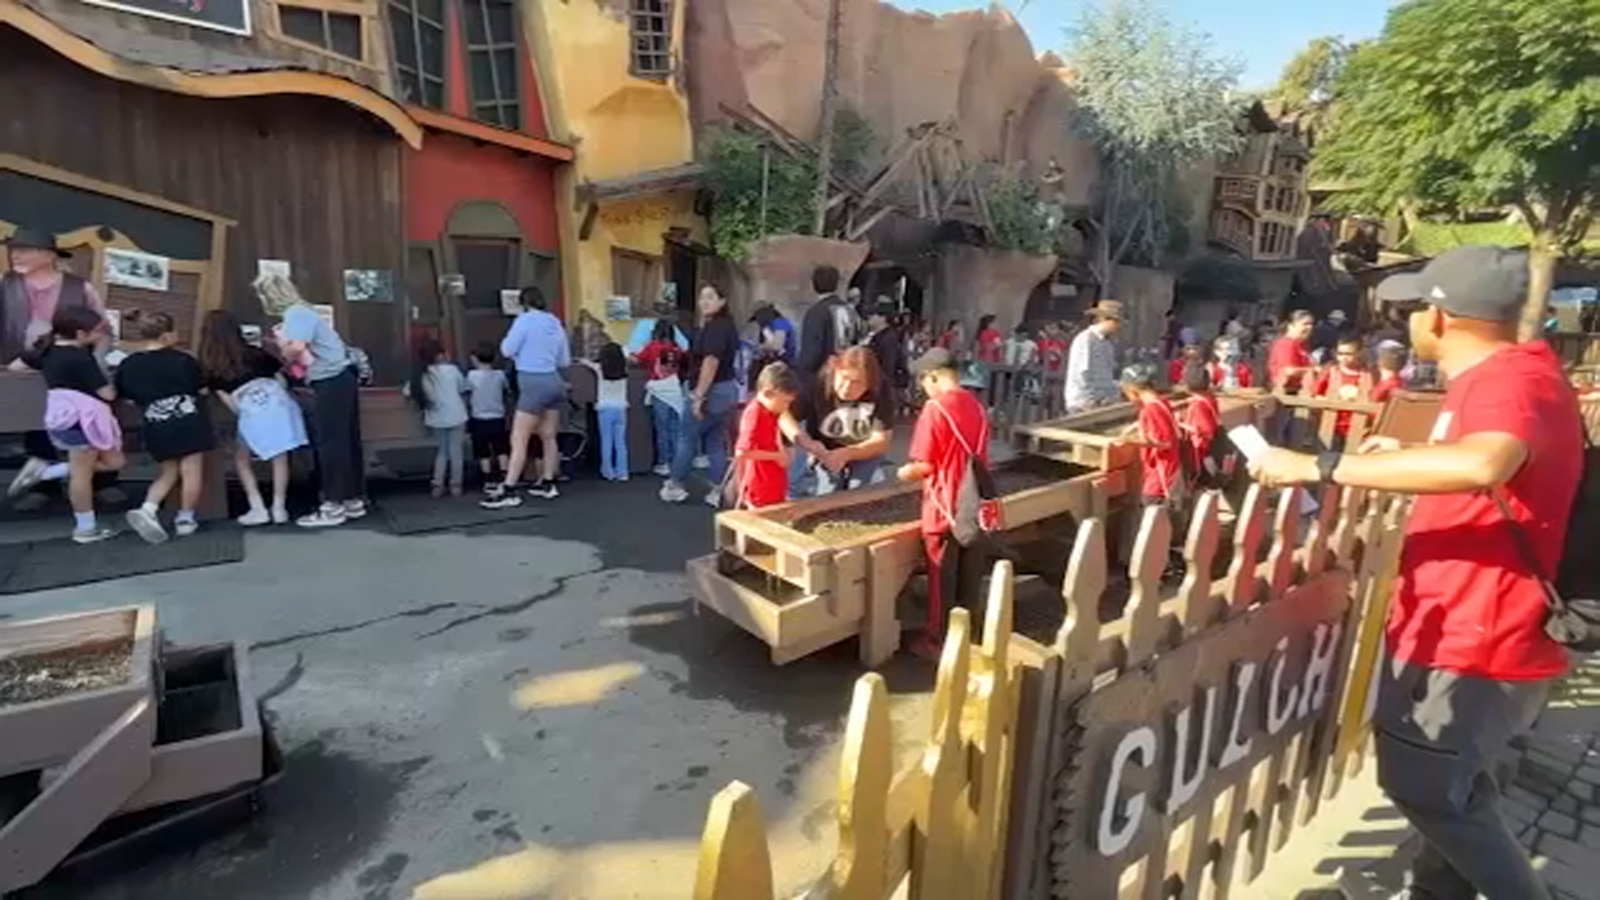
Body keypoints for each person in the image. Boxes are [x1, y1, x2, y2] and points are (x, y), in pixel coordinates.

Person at [1250, 246, 1582, 900]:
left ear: (1441, 316)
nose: (1406, 323)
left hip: (1473, 633)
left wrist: (1320, 467)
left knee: (1428, 791)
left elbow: (1487, 462)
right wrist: (1412, 453)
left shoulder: (1506, 381)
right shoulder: (1516, 375)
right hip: (1477, 621)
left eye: (1413, 308)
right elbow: (1499, 462)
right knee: (1455, 792)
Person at [898, 347, 991, 657]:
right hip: (974, 502)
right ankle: (968, 632)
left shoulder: (935, 409)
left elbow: (924, 465)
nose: (923, 387)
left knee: (941, 577)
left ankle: (937, 640)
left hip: (943, 505)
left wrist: (904, 472)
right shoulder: (977, 407)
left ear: (934, 376)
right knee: (970, 574)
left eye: (924, 380)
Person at [254, 274, 366, 527]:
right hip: (341, 377)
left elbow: (296, 348)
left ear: (271, 295)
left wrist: (281, 350)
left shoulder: (296, 314)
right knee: (346, 441)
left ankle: (333, 507)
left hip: (330, 379)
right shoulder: (305, 311)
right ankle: (352, 500)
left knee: (330, 443)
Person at [15, 306, 123, 543]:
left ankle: (45, 472)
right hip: (83, 420)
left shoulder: (45, 351)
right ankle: (85, 528)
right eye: (97, 331)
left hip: (60, 417)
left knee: (113, 462)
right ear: (80, 334)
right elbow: (108, 394)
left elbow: (16, 367)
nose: (101, 335)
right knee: (82, 475)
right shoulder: (82, 358)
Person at [114, 311, 217, 542]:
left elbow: (126, 396)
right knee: (191, 471)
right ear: (168, 335)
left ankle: (148, 509)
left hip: (156, 423)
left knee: (168, 471)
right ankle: (185, 518)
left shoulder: (130, 364)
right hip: (190, 421)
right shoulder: (185, 360)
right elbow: (201, 389)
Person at [198, 309, 305, 525]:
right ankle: (279, 508)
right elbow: (280, 378)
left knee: (242, 457)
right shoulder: (256, 353)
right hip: (278, 402)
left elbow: (232, 405)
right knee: (280, 456)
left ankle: (257, 507)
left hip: (251, 408)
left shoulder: (212, 366)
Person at [483, 286, 571, 508]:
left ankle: (509, 489)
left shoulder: (524, 320)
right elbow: (564, 361)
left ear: (524, 303)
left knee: (519, 438)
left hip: (532, 381)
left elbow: (506, 349)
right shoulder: (555, 323)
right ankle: (548, 483)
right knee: (549, 435)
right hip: (554, 380)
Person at [660, 283, 741, 507]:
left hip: (710, 390)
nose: (704, 301)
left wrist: (698, 396)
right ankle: (719, 490)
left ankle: (675, 484)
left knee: (687, 438)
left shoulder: (715, 328)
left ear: (722, 301)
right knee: (715, 442)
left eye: (711, 297)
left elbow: (711, 361)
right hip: (726, 389)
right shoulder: (728, 326)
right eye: (702, 297)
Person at [793, 346, 896, 496]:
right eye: (844, 378)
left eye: (857, 383)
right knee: (828, 494)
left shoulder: (881, 389)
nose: (847, 388)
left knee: (859, 492)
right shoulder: (819, 381)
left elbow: (881, 440)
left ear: (869, 383)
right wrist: (808, 443)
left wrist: (848, 453)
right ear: (835, 369)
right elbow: (785, 415)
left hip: (864, 449)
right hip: (825, 449)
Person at [406, 338, 469, 498]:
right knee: (456, 451)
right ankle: (456, 486)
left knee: (442, 452)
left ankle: (437, 485)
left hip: (436, 418)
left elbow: (407, 391)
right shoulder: (452, 370)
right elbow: (464, 387)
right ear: (441, 354)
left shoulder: (422, 374)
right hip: (456, 415)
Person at [732, 362, 800, 509]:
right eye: (785, 402)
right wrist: (777, 456)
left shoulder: (771, 411)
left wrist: (781, 454)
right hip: (759, 486)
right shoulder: (755, 413)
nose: (786, 407)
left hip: (771, 482)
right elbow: (742, 452)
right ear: (769, 393)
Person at [1116, 363, 1183, 507]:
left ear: (1132, 390)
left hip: (1161, 473)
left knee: (1150, 502)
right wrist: (1133, 427)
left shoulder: (1150, 410)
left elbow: (1165, 442)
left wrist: (1134, 441)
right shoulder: (1161, 402)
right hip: (1171, 468)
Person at [634, 318, 685, 476]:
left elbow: (637, 359)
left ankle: (664, 462)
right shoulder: (677, 349)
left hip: (659, 391)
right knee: (675, 429)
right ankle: (678, 461)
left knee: (661, 429)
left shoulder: (652, 347)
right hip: (675, 391)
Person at [796, 265, 864, 379]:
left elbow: (811, 351)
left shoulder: (816, 312)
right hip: (848, 374)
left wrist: (802, 374)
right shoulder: (851, 311)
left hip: (823, 376)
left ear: (814, 284)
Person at [1313, 337, 1374, 450]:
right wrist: (1329, 399)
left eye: (1348, 354)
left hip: (1357, 426)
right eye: (1340, 354)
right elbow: (1315, 395)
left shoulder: (1367, 374)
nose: (1343, 357)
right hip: (1331, 425)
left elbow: (1374, 399)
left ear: (1358, 353)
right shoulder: (1331, 371)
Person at [464, 344, 511, 488]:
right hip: (498, 416)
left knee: (482, 451)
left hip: (479, 418)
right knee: (501, 448)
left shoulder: (471, 376)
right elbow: (507, 390)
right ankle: (505, 476)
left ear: (475, 359)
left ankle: (488, 479)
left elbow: (466, 391)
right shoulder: (500, 375)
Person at [1064, 301, 1123, 414]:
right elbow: (1083, 375)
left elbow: (1106, 374)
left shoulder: (1107, 343)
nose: (1119, 327)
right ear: (1107, 320)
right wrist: (1095, 400)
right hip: (1084, 403)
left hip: (1102, 401)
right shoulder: (1086, 339)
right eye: (1117, 322)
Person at [589, 341, 630, 481]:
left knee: (606, 441)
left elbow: (586, 363)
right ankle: (623, 472)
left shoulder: (600, 368)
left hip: (605, 408)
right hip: (621, 409)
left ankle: (608, 471)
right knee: (620, 442)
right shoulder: (624, 370)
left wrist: (581, 360)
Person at [1180, 364, 1225, 488]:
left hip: (1202, 451)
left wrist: (1181, 424)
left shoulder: (1198, 405)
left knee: (1201, 480)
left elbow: (1206, 430)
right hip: (1213, 446)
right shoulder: (1209, 398)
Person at [1267, 310, 1316, 393]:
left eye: (1311, 324)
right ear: (1291, 326)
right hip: (1286, 392)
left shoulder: (1302, 345)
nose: (1310, 327)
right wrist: (1314, 370)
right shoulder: (1285, 344)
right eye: (1305, 324)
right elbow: (1289, 371)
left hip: (1299, 390)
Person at [865, 300, 908, 393]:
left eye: (873, 314)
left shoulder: (888, 339)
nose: (869, 317)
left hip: (884, 391)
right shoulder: (878, 337)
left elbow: (887, 369)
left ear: (883, 318)